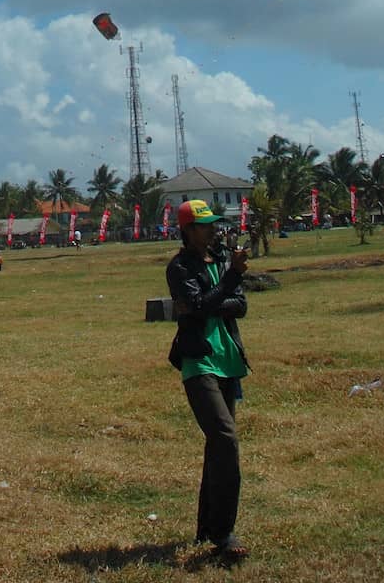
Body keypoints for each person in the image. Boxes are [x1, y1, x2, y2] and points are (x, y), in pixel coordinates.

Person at [166, 200, 250, 563]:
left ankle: (205, 527)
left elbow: (240, 305)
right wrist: (227, 284)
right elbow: (198, 305)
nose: (212, 230)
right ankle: (224, 533)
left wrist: (213, 299)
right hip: (198, 361)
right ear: (187, 230)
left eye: (213, 224)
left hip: (227, 359)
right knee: (225, 439)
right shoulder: (180, 267)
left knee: (217, 447)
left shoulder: (218, 262)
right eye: (204, 225)